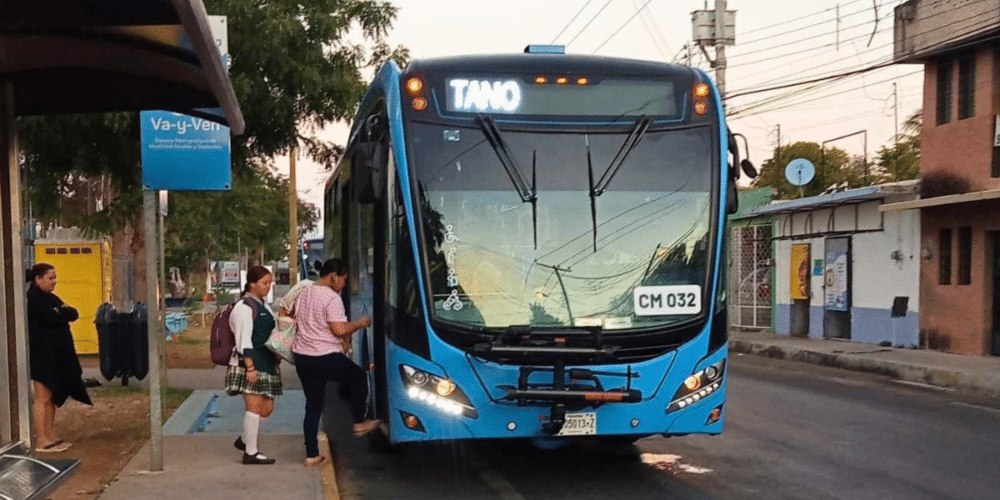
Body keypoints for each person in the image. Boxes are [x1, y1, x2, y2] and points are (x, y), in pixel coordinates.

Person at [293, 258, 379, 466]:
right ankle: (359, 421)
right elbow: (339, 329)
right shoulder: (331, 298)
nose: (344, 284)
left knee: (313, 405)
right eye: (343, 279)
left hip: (303, 357)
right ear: (333, 276)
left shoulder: (305, 292)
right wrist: (361, 323)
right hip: (325, 357)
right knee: (358, 376)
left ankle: (312, 454)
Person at [26, 263, 92, 453]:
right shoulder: (33, 299)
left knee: (52, 396)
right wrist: (60, 313)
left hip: (56, 357)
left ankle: (50, 436)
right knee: (42, 397)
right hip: (41, 356)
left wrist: (61, 312)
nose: (54, 282)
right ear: (38, 279)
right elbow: (52, 318)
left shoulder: (51, 298)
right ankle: (41, 440)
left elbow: (72, 313)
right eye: (50, 278)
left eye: (55, 277)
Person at [225, 265, 281, 465]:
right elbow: (243, 340)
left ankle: (244, 439)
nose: (268, 286)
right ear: (252, 284)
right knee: (254, 407)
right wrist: (249, 366)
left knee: (267, 408)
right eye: (264, 283)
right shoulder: (244, 308)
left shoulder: (262, 305)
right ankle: (251, 452)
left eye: (270, 282)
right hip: (250, 364)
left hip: (266, 363)